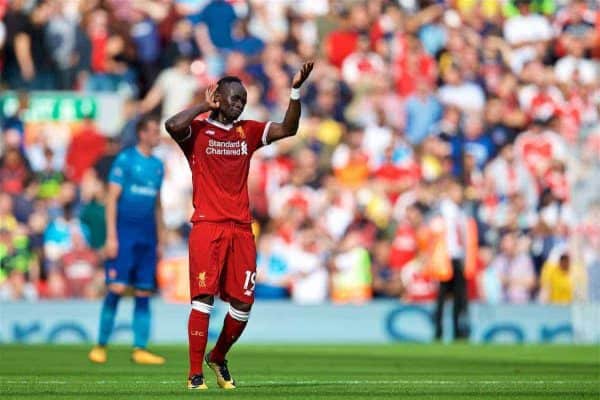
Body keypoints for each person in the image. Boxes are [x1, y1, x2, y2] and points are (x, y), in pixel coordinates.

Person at [164, 61, 314, 390]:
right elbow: (172, 125)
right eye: (234, 98)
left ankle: (217, 356)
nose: (239, 104)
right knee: (203, 297)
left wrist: (295, 91)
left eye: (243, 101)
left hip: (241, 229)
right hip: (208, 225)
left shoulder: (247, 132)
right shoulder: (198, 132)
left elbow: (288, 129)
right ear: (218, 97)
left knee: (244, 303)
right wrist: (205, 105)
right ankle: (194, 375)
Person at [88, 115, 166, 365]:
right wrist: (112, 236)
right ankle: (100, 345)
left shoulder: (157, 165)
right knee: (117, 288)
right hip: (125, 233)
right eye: (154, 131)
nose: (157, 135)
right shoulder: (126, 159)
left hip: (148, 236)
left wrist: (161, 237)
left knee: (144, 289)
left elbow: (157, 203)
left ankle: (140, 348)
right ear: (142, 133)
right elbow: (112, 198)